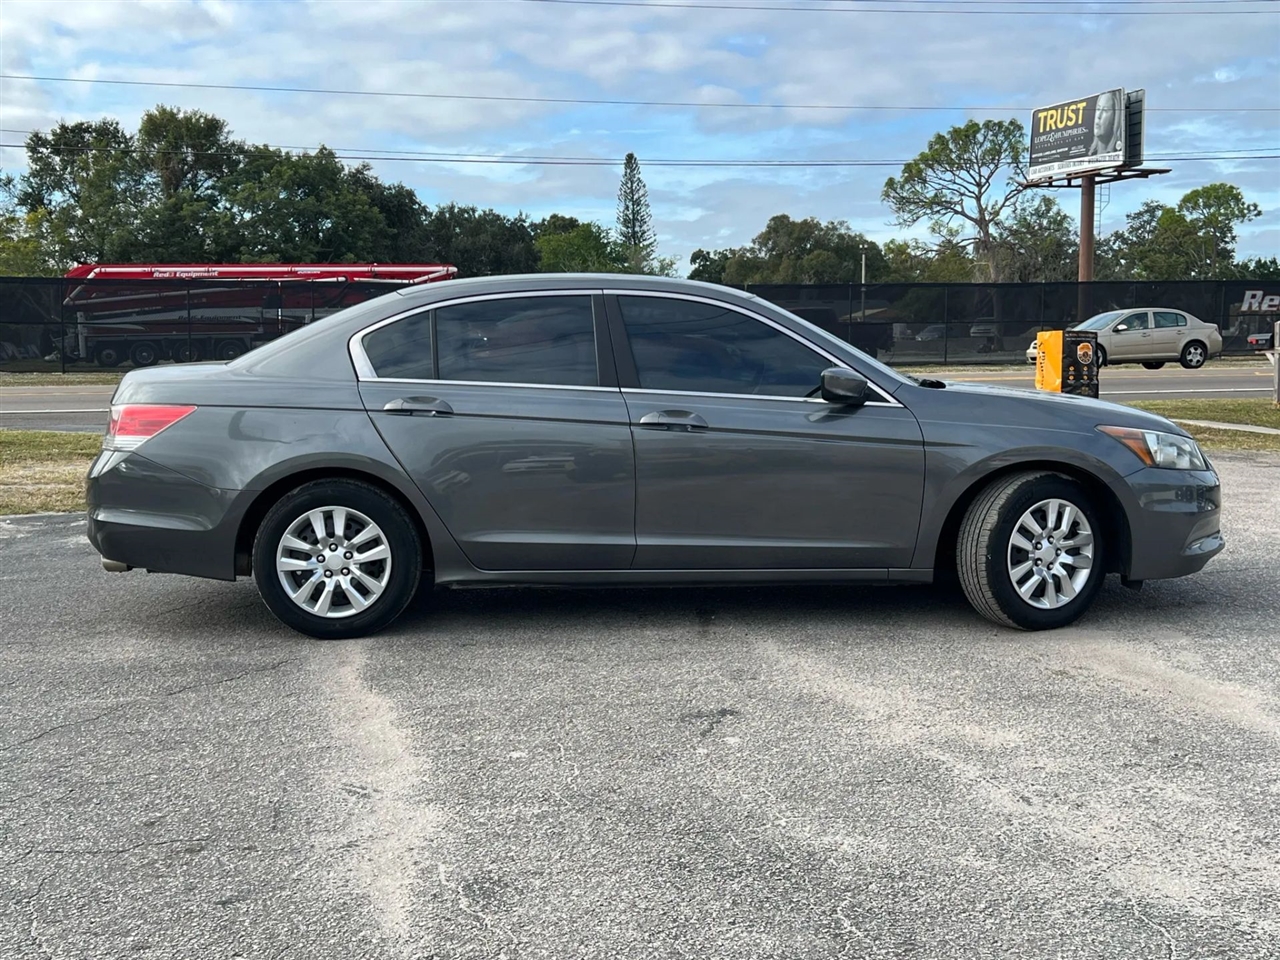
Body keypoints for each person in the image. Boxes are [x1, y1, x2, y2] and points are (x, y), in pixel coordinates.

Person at [1089, 91, 1123, 156]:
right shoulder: (1088, 155)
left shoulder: (1118, 153)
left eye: (1105, 110)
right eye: (1098, 109)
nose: (1099, 116)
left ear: (1115, 118)